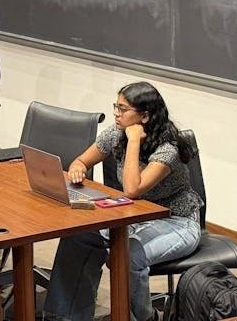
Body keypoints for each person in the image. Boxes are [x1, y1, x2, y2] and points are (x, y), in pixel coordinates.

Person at [43, 81, 202, 321]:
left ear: (145, 116)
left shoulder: (167, 149)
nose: (116, 114)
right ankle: (66, 316)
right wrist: (78, 168)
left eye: (123, 109)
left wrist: (135, 141)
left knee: (129, 254)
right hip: (134, 216)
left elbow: (131, 189)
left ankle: (144, 317)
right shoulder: (116, 133)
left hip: (177, 222)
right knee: (79, 235)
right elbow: (81, 161)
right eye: (115, 107)